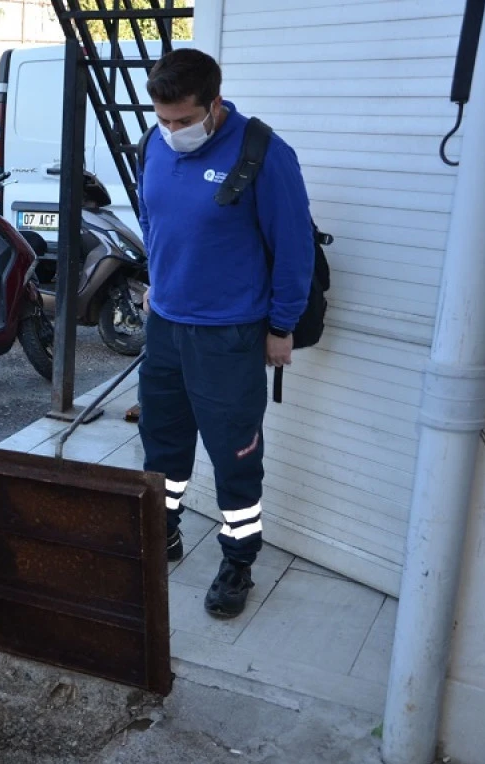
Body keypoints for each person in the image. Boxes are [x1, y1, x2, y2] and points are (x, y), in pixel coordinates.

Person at [136, 49, 314, 618]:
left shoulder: (263, 153)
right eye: (163, 119)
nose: (172, 131)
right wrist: (158, 281)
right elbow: (153, 218)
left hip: (230, 334)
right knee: (162, 440)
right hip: (166, 326)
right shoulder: (153, 144)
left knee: (234, 453)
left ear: (215, 104)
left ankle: (238, 559)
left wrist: (282, 326)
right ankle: (162, 528)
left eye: (184, 120)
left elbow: (295, 250)